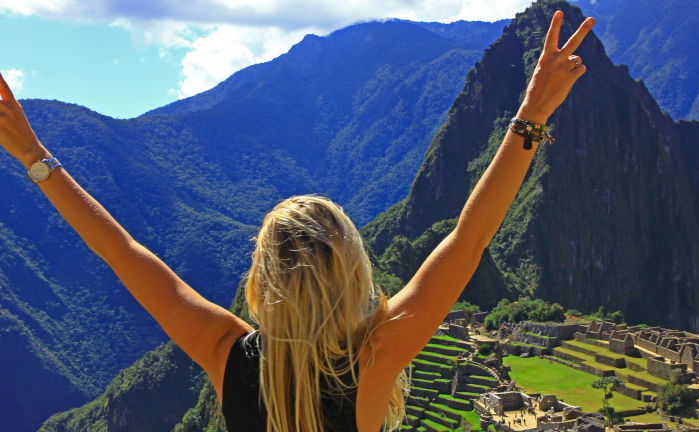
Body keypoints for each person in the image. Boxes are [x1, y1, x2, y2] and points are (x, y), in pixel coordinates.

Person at [0, 9, 593, 432]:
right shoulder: (376, 357)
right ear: (355, 273)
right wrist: (530, 114)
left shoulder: (225, 353)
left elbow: (123, 253)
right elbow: (470, 237)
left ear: (260, 281)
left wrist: (34, 156)